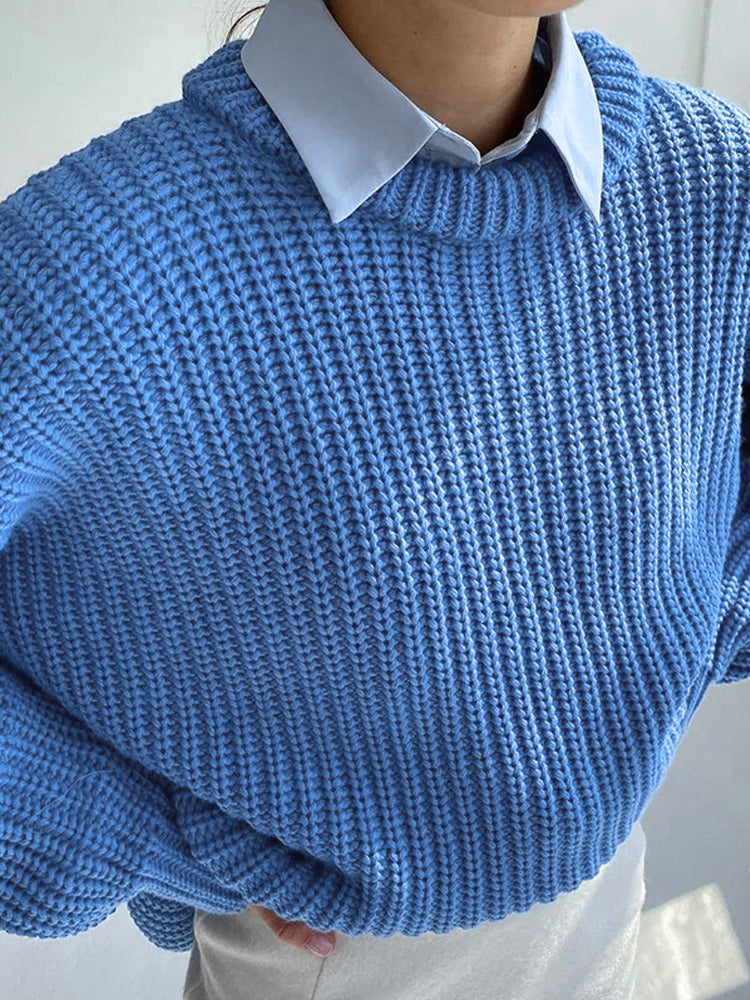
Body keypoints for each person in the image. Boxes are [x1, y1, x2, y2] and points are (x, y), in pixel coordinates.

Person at [1, 0, 750, 998]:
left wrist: (640, 678)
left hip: (609, 935)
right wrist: (142, 838)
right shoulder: (92, 264)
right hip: (326, 966)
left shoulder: (709, 178)